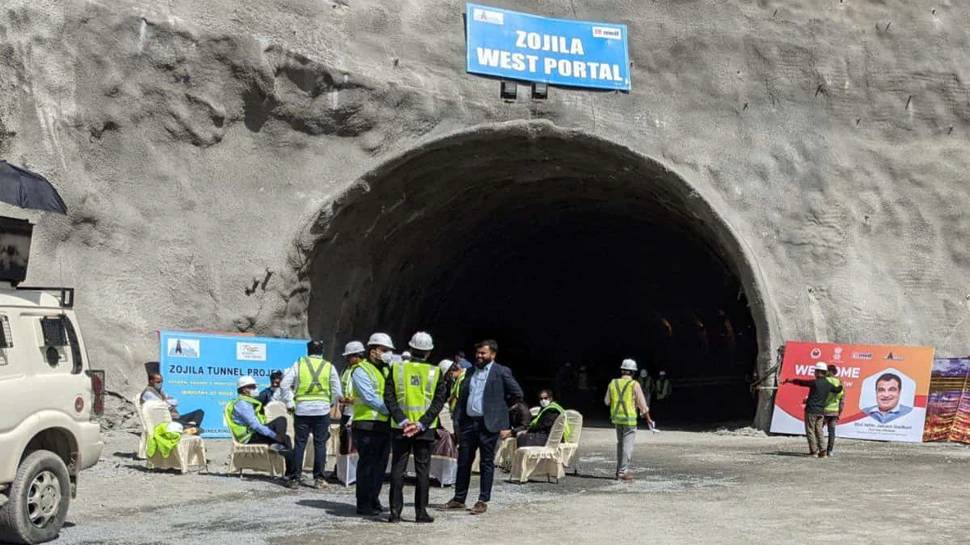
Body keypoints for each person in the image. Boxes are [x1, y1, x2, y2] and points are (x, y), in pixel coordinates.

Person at [442, 339, 523, 515]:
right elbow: (463, 398)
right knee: (464, 461)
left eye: (483, 353)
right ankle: (459, 498)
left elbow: (517, 394)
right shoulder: (469, 372)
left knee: (486, 463)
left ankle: (482, 500)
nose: (479, 356)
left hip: (489, 425)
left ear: (492, 354)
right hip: (469, 424)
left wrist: (499, 411)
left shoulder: (501, 372)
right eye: (478, 353)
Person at [384, 332, 450, 523]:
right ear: (429, 352)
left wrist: (403, 420)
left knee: (398, 468)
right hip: (425, 429)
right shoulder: (435, 372)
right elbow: (439, 401)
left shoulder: (396, 369)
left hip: (400, 427)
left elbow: (389, 397)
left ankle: (395, 513)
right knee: (422, 470)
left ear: (411, 349)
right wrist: (422, 423)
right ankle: (421, 512)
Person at [280, 339, 343, 488]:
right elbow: (337, 390)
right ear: (322, 351)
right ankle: (319, 479)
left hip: (302, 409)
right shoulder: (329, 366)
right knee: (320, 444)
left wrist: (290, 402)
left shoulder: (300, 364)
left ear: (308, 351)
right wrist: (330, 403)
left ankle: (294, 478)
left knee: (300, 443)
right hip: (322, 410)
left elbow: (284, 384)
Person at [352, 332, 395, 516]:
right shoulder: (361, 370)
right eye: (383, 350)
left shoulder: (386, 369)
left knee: (380, 466)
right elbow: (369, 397)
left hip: (384, 425)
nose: (386, 353)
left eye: (388, 351)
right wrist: (391, 409)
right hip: (366, 424)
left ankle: (373, 498)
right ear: (373, 350)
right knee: (367, 466)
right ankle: (363, 503)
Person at [225, 376, 294, 477]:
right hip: (248, 438)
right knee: (282, 427)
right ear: (244, 390)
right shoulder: (242, 404)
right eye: (252, 387)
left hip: (253, 434)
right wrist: (274, 436)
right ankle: (291, 472)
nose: (255, 389)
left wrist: (275, 436)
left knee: (284, 432)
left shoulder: (248, 402)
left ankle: (290, 472)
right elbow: (255, 425)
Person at [783, 362, 843, 458]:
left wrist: (791, 380)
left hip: (811, 410)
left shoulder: (814, 382)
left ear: (819, 372)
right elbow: (838, 390)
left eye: (815, 371)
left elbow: (802, 382)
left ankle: (814, 451)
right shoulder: (828, 384)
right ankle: (823, 451)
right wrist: (841, 384)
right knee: (819, 430)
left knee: (810, 430)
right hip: (821, 411)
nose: (814, 373)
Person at [604, 359, 649, 480]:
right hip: (629, 420)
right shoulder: (635, 384)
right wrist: (648, 419)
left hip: (617, 419)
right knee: (627, 446)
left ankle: (619, 470)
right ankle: (623, 471)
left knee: (620, 445)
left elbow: (607, 401)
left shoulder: (613, 383)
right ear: (633, 373)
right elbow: (643, 406)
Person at [140, 371, 205, 430]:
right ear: (151, 381)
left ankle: (191, 426)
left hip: (175, 417)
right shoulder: (148, 393)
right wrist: (167, 401)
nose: (160, 383)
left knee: (199, 412)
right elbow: (163, 405)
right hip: (165, 420)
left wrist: (167, 401)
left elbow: (175, 401)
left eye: (162, 381)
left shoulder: (160, 391)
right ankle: (191, 427)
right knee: (194, 427)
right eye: (158, 382)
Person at [339, 340, 366, 455]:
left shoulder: (365, 369)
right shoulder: (346, 370)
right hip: (346, 411)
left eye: (349, 356)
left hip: (358, 412)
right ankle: (341, 469)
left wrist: (354, 400)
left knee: (356, 444)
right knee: (344, 441)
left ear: (357, 356)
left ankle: (354, 470)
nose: (346, 359)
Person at [823, 364, 844, 456]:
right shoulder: (840, 383)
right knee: (832, 432)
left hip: (823, 410)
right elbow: (842, 400)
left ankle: (819, 449)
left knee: (818, 430)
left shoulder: (824, 381)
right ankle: (830, 451)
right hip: (834, 411)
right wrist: (839, 412)